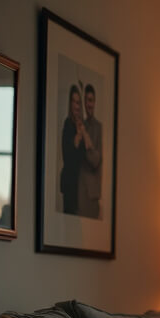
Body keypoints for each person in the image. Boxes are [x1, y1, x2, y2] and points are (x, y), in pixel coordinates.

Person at [59, 84, 85, 215]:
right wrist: (78, 136)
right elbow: (67, 155)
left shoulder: (81, 125)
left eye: (79, 102)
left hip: (80, 185)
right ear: (70, 103)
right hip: (70, 183)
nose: (77, 106)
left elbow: (84, 156)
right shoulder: (68, 124)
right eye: (74, 102)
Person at [78, 84, 102, 219]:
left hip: (92, 196)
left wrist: (86, 138)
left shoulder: (99, 128)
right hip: (80, 193)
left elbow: (96, 160)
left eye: (91, 100)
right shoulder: (80, 125)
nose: (89, 104)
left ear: (95, 102)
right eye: (86, 100)